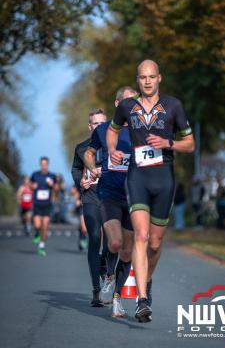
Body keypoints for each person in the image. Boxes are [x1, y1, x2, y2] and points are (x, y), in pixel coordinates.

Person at [106, 59, 195, 322]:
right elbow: (112, 131)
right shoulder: (126, 107)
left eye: (151, 76)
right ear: (138, 80)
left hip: (164, 179)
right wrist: (112, 149)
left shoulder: (173, 106)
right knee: (141, 235)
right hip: (137, 178)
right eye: (142, 77)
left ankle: (146, 281)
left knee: (155, 244)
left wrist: (169, 143)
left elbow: (190, 144)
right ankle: (142, 300)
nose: (147, 81)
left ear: (159, 79)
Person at [85, 86, 136, 317]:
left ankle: (117, 299)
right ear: (117, 105)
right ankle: (107, 273)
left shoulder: (140, 131)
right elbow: (88, 153)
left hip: (136, 197)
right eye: (128, 102)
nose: (132, 106)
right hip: (110, 194)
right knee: (114, 243)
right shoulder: (104, 129)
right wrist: (91, 168)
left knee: (127, 251)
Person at [71, 108, 107, 307]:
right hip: (90, 197)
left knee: (112, 244)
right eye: (95, 124)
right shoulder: (81, 148)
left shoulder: (115, 145)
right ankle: (96, 290)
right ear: (90, 126)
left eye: (103, 123)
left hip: (111, 198)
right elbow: (76, 169)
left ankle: (103, 264)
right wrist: (80, 182)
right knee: (94, 238)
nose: (99, 126)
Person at [31, 157, 57, 256]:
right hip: (37, 204)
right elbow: (30, 185)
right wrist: (32, 186)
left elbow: (56, 188)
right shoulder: (35, 175)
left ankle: (41, 246)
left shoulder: (52, 176)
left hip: (47, 205)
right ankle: (37, 232)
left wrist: (52, 185)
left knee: (45, 226)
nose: (44, 166)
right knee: (37, 225)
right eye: (42, 164)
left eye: (45, 164)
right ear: (40, 164)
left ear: (48, 165)